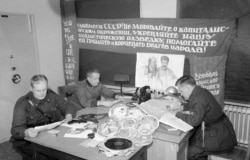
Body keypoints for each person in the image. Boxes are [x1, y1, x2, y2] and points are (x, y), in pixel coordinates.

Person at [10, 75, 76, 160]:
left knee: (68, 150)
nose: (42, 93)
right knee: (43, 156)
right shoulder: (22, 103)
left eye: (44, 89)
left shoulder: (51, 96)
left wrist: (68, 114)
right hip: (30, 139)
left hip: (49, 133)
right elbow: (15, 130)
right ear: (31, 88)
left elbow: (68, 105)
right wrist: (26, 132)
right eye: (38, 90)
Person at [174, 75, 237, 160]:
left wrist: (178, 114)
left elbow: (194, 121)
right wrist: (183, 107)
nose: (181, 94)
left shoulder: (199, 99)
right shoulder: (200, 91)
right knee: (190, 142)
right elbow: (194, 105)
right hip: (220, 130)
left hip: (220, 137)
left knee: (188, 152)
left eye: (181, 91)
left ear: (187, 88)